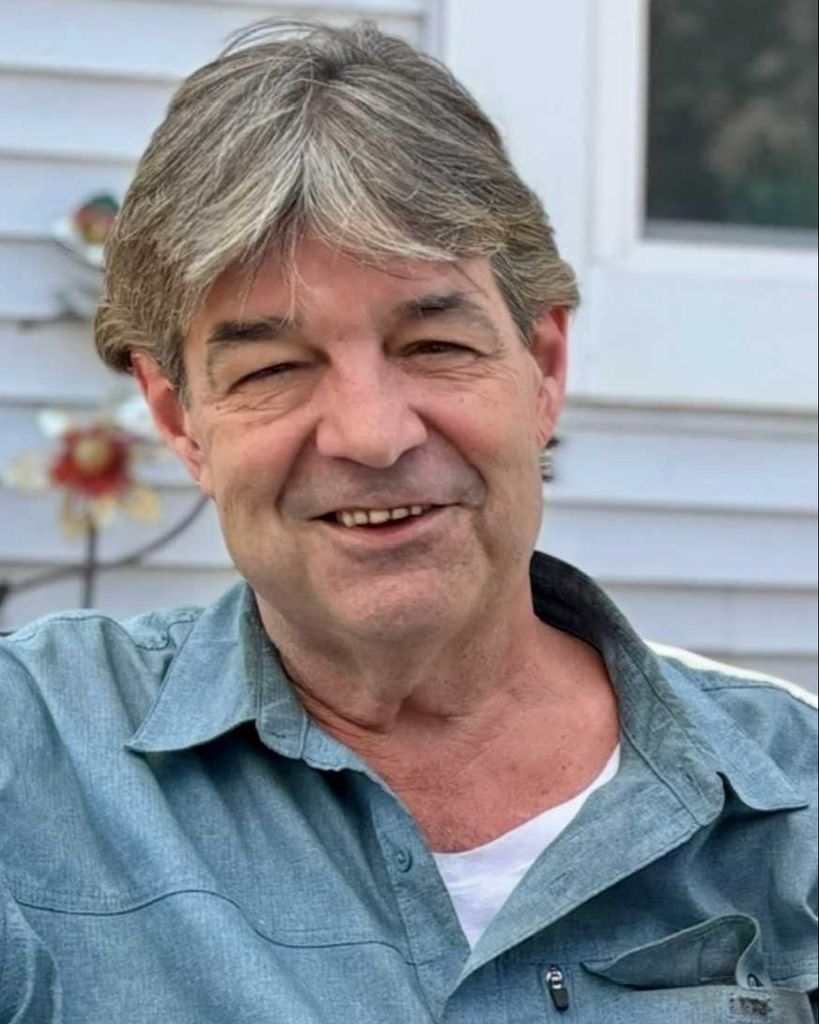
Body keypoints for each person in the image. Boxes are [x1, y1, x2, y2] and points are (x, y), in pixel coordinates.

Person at [1, 20, 816, 1024]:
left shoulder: (789, 800)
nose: (374, 435)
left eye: (433, 345)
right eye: (273, 368)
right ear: (179, 420)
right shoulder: (34, 762)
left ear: (543, 369)